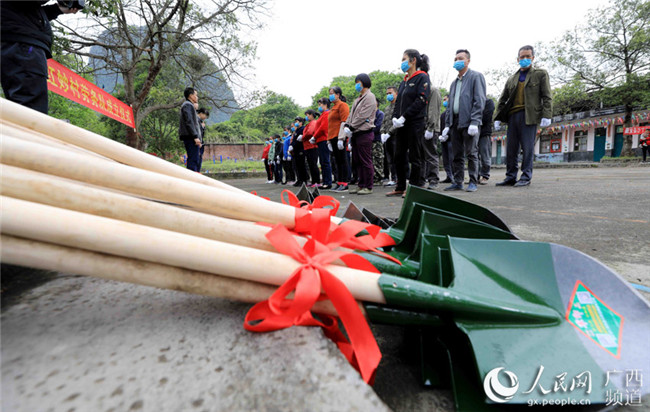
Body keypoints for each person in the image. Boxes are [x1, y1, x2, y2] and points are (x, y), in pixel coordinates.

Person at [1, 1, 80, 114]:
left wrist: (57, 9)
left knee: (20, 110)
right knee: (30, 111)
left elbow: (25, 11)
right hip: (23, 46)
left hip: (16, 43)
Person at [494, 45, 553, 187]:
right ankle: (510, 176)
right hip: (512, 116)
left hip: (529, 116)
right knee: (511, 149)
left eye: (528, 56)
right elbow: (502, 99)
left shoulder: (540, 74)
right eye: (522, 57)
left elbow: (547, 96)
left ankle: (526, 177)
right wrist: (497, 117)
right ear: (517, 59)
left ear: (533, 58)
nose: (524, 59)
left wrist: (547, 115)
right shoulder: (512, 78)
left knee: (527, 148)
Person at [386, 49, 431, 197]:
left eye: (404, 59)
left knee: (414, 155)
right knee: (398, 155)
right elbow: (398, 102)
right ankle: (400, 185)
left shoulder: (422, 77)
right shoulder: (404, 81)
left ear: (413, 60)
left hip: (415, 122)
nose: (402, 62)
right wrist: (395, 117)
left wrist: (405, 116)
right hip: (401, 124)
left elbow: (421, 100)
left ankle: (413, 187)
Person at [440, 49, 486, 193]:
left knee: (472, 153)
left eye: (460, 58)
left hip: (469, 122)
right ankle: (458, 181)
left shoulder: (476, 77)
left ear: (468, 61)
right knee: (457, 154)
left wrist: (475, 121)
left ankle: (473, 181)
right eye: (455, 59)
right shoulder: (454, 83)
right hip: (455, 122)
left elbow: (479, 100)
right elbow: (450, 106)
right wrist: (447, 125)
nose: (457, 61)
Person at [343, 73, 377, 195]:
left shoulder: (370, 97)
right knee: (357, 161)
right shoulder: (358, 99)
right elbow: (351, 115)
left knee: (365, 160)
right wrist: (347, 125)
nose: (357, 85)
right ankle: (361, 184)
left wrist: (351, 127)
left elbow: (363, 116)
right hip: (356, 133)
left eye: (358, 82)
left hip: (364, 132)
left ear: (364, 82)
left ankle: (368, 186)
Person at [328, 86, 351, 191]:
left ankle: (345, 182)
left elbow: (344, 121)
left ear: (338, 94)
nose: (330, 95)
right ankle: (339, 181)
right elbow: (330, 125)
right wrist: (328, 140)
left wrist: (341, 138)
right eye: (329, 93)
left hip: (339, 136)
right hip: (332, 137)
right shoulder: (333, 108)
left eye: (332, 93)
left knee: (342, 160)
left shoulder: (343, 105)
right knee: (337, 160)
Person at [179, 87, 202, 172]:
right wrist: (195, 137)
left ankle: (193, 176)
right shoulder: (187, 105)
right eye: (196, 95)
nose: (197, 97)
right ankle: (191, 178)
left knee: (195, 158)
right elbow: (189, 122)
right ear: (191, 96)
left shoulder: (190, 106)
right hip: (190, 136)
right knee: (193, 159)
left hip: (191, 136)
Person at [423, 86, 442, 190]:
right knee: (421, 156)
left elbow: (433, 110)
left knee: (431, 154)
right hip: (421, 127)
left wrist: (430, 128)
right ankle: (422, 179)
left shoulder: (433, 91)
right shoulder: (421, 91)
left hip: (430, 128)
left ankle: (433, 180)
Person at [312, 97, 333, 189]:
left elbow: (323, 127)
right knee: (323, 161)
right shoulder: (323, 114)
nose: (319, 106)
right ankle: (325, 181)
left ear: (325, 104)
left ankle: (328, 182)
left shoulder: (327, 113)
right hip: (320, 140)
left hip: (324, 139)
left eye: (320, 104)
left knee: (325, 161)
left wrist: (314, 136)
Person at [380, 86, 398, 186]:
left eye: (390, 93)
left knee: (396, 158)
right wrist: (382, 132)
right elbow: (383, 122)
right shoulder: (387, 108)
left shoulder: (398, 107)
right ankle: (393, 178)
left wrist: (389, 133)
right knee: (389, 158)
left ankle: (398, 178)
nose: (388, 95)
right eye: (387, 93)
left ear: (396, 93)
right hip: (387, 137)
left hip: (395, 135)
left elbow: (397, 123)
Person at [302, 110, 321, 187]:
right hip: (308, 146)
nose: (306, 117)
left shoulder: (313, 123)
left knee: (313, 164)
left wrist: (303, 137)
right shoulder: (309, 124)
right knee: (310, 164)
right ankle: (313, 181)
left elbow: (310, 132)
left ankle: (317, 181)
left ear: (311, 115)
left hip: (312, 146)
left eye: (307, 115)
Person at [478, 99, 494, 184]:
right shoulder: (474, 102)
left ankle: (485, 176)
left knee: (485, 155)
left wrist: (475, 120)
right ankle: (475, 176)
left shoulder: (488, 102)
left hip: (484, 132)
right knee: (474, 156)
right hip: (473, 133)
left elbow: (487, 116)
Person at [291, 117, 309, 187]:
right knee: (297, 166)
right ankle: (299, 179)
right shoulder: (297, 130)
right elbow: (294, 140)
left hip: (301, 149)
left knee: (302, 166)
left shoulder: (302, 129)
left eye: (297, 121)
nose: (296, 123)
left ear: (301, 123)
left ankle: (304, 180)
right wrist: (292, 145)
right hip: (296, 150)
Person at [439, 95, 453, 183]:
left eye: (445, 99)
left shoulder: (453, 113)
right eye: (443, 100)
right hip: (443, 139)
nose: (444, 101)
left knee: (452, 159)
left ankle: (454, 177)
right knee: (445, 159)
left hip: (451, 139)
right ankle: (449, 176)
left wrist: (448, 134)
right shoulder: (443, 114)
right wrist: (440, 136)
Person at [372, 97, 385, 184]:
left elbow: (378, 127)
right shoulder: (370, 114)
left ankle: (379, 178)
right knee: (371, 160)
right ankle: (373, 177)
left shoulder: (380, 114)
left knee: (378, 159)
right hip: (370, 140)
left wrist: (369, 130)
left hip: (377, 140)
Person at [197, 107, 210, 172]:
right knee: (197, 159)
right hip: (198, 142)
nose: (205, 117)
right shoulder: (196, 120)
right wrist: (202, 127)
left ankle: (198, 172)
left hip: (201, 142)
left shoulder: (201, 121)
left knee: (199, 158)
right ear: (201, 113)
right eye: (205, 115)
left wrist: (203, 127)